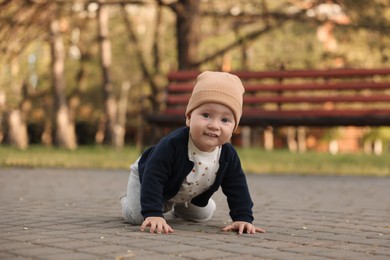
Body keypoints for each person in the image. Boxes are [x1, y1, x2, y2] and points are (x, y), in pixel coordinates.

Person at [120, 71, 265, 235]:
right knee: (139, 215)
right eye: (206, 115)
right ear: (189, 117)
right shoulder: (172, 145)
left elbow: (237, 186)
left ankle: (175, 204)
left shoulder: (227, 155)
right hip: (146, 176)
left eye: (225, 120)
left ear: (234, 128)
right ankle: (129, 199)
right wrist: (154, 214)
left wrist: (243, 218)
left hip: (183, 191)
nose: (214, 125)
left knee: (203, 215)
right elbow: (154, 176)